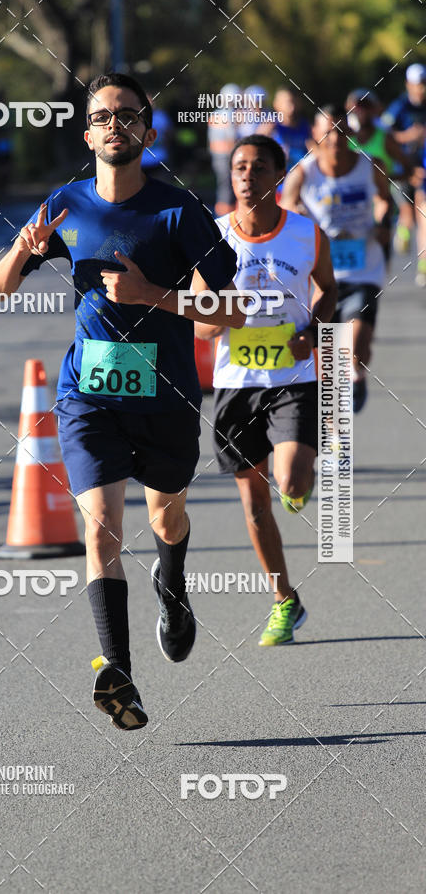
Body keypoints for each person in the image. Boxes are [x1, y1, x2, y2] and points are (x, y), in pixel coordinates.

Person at [0, 73, 241, 730]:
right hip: (88, 393)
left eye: (128, 116)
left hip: (169, 395)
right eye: (103, 116)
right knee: (99, 528)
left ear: (147, 132)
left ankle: (173, 585)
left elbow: (231, 311)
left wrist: (152, 294)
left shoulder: (180, 211)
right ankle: (117, 672)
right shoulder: (66, 205)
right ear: (87, 131)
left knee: (166, 518)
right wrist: (23, 249)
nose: (115, 125)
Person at [196, 134, 338, 646]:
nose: (247, 176)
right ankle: (285, 601)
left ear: (279, 177)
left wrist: (311, 333)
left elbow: (328, 292)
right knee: (255, 503)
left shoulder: (306, 234)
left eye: (258, 168)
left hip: (292, 380)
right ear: (230, 176)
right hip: (235, 386)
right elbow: (200, 326)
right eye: (239, 168)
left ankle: (297, 481)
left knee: (293, 481)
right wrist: (220, 311)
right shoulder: (212, 241)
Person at [281, 105, 393, 413]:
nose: (335, 140)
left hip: (363, 269)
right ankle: (331, 414)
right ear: (314, 136)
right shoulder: (303, 173)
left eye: (342, 132)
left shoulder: (370, 166)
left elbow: (385, 200)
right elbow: (287, 209)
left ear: (352, 135)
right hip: (320, 274)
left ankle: (354, 373)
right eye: (328, 132)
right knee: (328, 351)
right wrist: (303, 219)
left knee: (356, 347)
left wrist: (383, 224)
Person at [346, 88, 412, 266]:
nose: (360, 111)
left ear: (374, 109)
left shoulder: (384, 138)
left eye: (365, 106)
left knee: (380, 265)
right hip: (350, 209)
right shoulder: (341, 139)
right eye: (355, 107)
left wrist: (388, 178)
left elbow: (408, 167)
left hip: (380, 208)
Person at [380, 63, 426, 280]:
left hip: (424, 167)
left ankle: (424, 265)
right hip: (403, 167)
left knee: (424, 213)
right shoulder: (399, 107)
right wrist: (408, 136)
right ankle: (403, 228)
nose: (421, 89)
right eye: (418, 84)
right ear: (409, 85)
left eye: (424, 84)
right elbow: (384, 133)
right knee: (408, 213)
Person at [208, 83, 242, 215]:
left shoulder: (216, 113)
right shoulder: (230, 114)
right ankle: (225, 221)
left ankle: (222, 220)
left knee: (224, 188)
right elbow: (233, 138)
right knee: (228, 190)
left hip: (218, 156)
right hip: (227, 156)